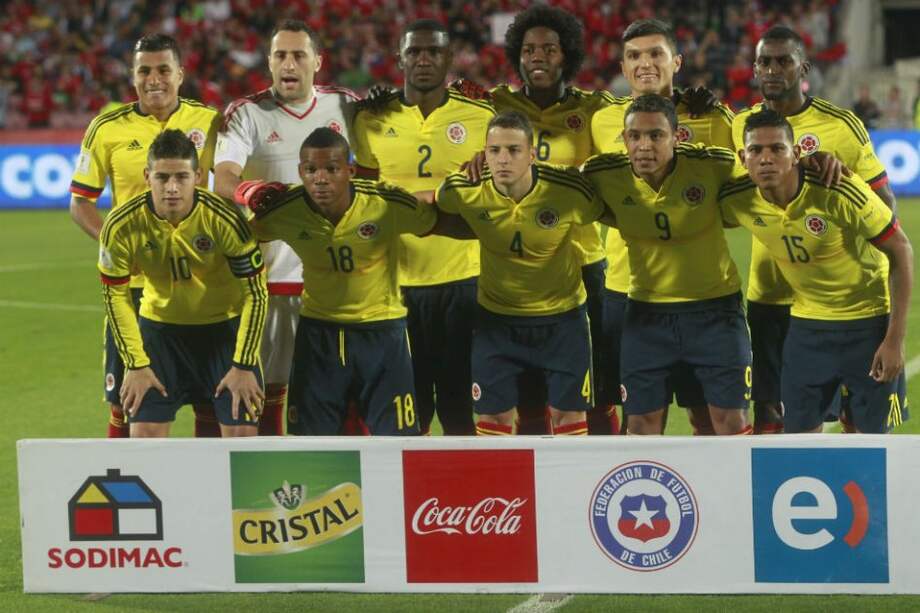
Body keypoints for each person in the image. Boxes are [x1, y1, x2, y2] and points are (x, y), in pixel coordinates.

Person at [237, 128, 471, 435]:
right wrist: (247, 192)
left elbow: (443, 222)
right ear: (300, 172)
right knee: (310, 441)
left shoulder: (385, 202)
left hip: (382, 333)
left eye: (332, 169)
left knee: (396, 440)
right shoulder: (284, 210)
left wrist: (499, 231)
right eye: (311, 170)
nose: (321, 179)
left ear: (350, 171)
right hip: (319, 335)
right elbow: (237, 239)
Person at [457, 4, 619, 435]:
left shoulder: (594, 108)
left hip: (583, 262)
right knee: (527, 394)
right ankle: (532, 468)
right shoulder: (495, 103)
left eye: (549, 49)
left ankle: (595, 465)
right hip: (518, 262)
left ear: (568, 54)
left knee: (595, 389)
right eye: (529, 49)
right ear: (517, 55)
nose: (538, 57)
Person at [732, 25, 897, 433]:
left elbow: (884, 205)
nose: (773, 70)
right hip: (771, 292)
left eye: (784, 61)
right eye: (765, 62)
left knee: (856, 417)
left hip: (841, 302)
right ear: (755, 69)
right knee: (775, 415)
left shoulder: (841, 126)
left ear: (803, 68)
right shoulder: (742, 125)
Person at [69, 33, 222, 438]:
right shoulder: (106, 128)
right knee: (128, 401)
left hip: (201, 285)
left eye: (163, 70)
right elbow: (80, 203)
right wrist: (118, 247)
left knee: (210, 400)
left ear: (180, 74)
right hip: (136, 288)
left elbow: (228, 189)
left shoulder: (210, 121)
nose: (154, 79)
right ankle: (128, 478)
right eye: (144, 71)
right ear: (133, 76)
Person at [589, 18, 736, 435]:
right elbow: (583, 187)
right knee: (630, 417)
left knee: (705, 416)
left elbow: (741, 190)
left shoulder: (712, 118)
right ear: (622, 66)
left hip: (697, 294)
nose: (645, 64)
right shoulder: (603, 120)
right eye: (634, 56)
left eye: (656, 53)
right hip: (625, 289)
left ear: (677, 62)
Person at [214, 19, 358, 436]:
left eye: (298, 55)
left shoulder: (347, 105)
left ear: (318, 61)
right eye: (280, 55)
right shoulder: (247, 113)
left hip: (336, 283)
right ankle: (273, 476)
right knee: (267, 395)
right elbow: (223, 178)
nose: (289, 64)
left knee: (340, 395)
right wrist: (251, 190)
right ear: (269, 62)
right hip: (270, 283)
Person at [352, 19, 494, 436]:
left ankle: (462, 479)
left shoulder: (481, 116)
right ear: (400, 59)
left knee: (459, 412)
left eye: (434, 51)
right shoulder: (371, 118)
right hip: (395, 284)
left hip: (464, 279)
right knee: (405, 414)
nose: (424, 59)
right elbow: (363, 198)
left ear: (449, 58)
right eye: (414, 51)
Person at [438, 111, 613, 436]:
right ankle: (497, 474)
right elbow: (437, 205)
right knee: (493, 421)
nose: (503, 159)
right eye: (494, 150)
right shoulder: (462, 188)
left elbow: (602, 212)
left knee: (569, 416)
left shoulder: (567, 189)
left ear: (532, 154)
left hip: (563, 320)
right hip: (496, 321)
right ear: (483, 153)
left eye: (513, 150)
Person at [97, 129, 268, 438]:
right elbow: (115, 297)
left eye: (182, 177)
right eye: (162, 177)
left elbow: (256, 293)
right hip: (160, 334)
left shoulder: (226, 219)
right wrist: (136, 365)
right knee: (144, 439)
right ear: (147, 176)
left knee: (242, 441)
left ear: (198, 177)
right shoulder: (121, 225)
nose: (172, 187)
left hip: (223, 333)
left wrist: (243, 365)